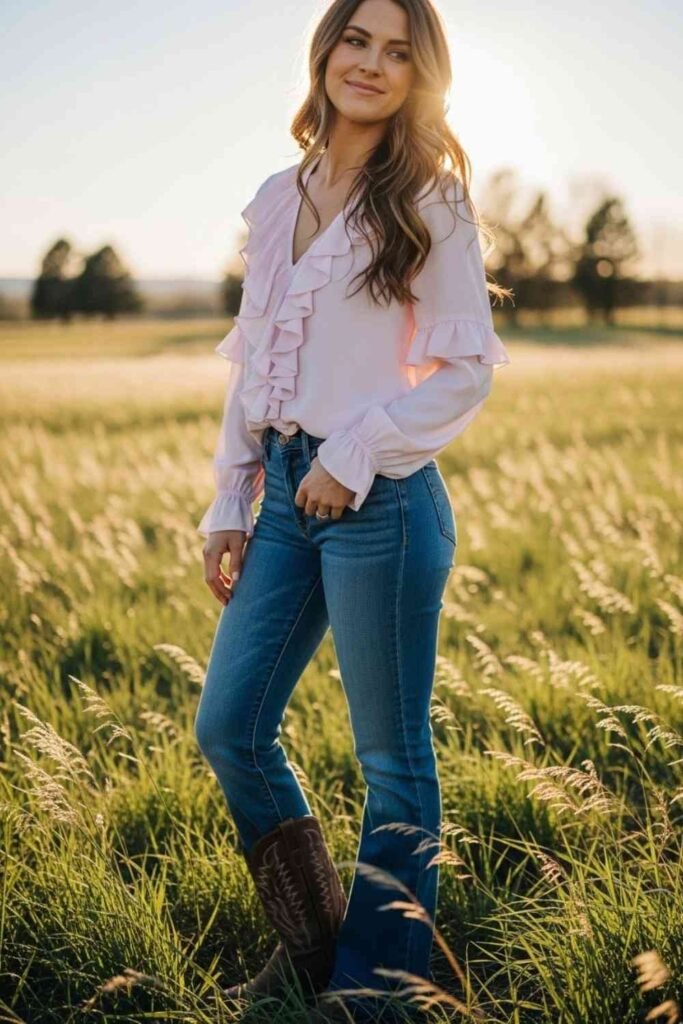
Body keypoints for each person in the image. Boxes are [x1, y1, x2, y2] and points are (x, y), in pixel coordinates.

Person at [193, 0, 511, 1019]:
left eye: (397, 52)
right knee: (230, 727)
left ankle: (376, 990)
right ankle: (322, 948)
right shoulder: (276, 198)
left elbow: (465, 372)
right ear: (324, 49)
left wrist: (357, 450)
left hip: (384, 505)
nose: (370, 64)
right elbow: (254, 364)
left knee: (391, 758)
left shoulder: (431, 201)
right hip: (285, 499)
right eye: (355, 40)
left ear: (422, 77)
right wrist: (230, 499)